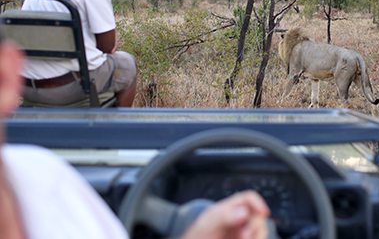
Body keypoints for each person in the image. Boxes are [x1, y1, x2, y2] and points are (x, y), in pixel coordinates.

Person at [0, 30, 271, 239]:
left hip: (37, 88)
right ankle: (117, 124)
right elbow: (107, 45)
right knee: (126, 64)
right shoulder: (46, 177)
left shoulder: (42, 168)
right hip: (77, 82)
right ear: (7, 75)